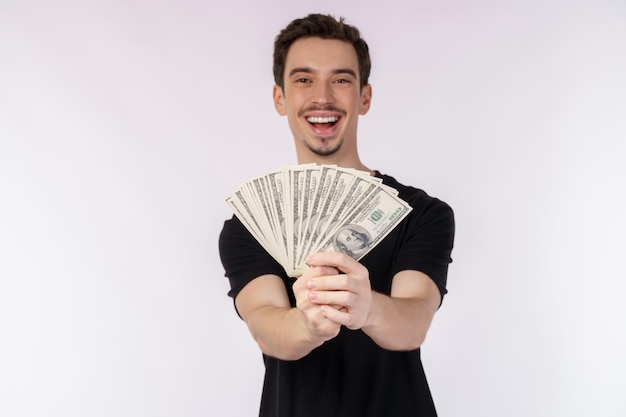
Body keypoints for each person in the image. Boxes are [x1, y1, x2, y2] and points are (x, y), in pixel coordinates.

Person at [218, 13, 455, 417]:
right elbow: (267, 328)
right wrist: (307, 326)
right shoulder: (249, 227)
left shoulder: (421, 213)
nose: (323, 97)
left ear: (364, 97)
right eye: (304, 79)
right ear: (281, 98)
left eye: (341, 80)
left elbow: (414, 323)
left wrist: (369, 309)